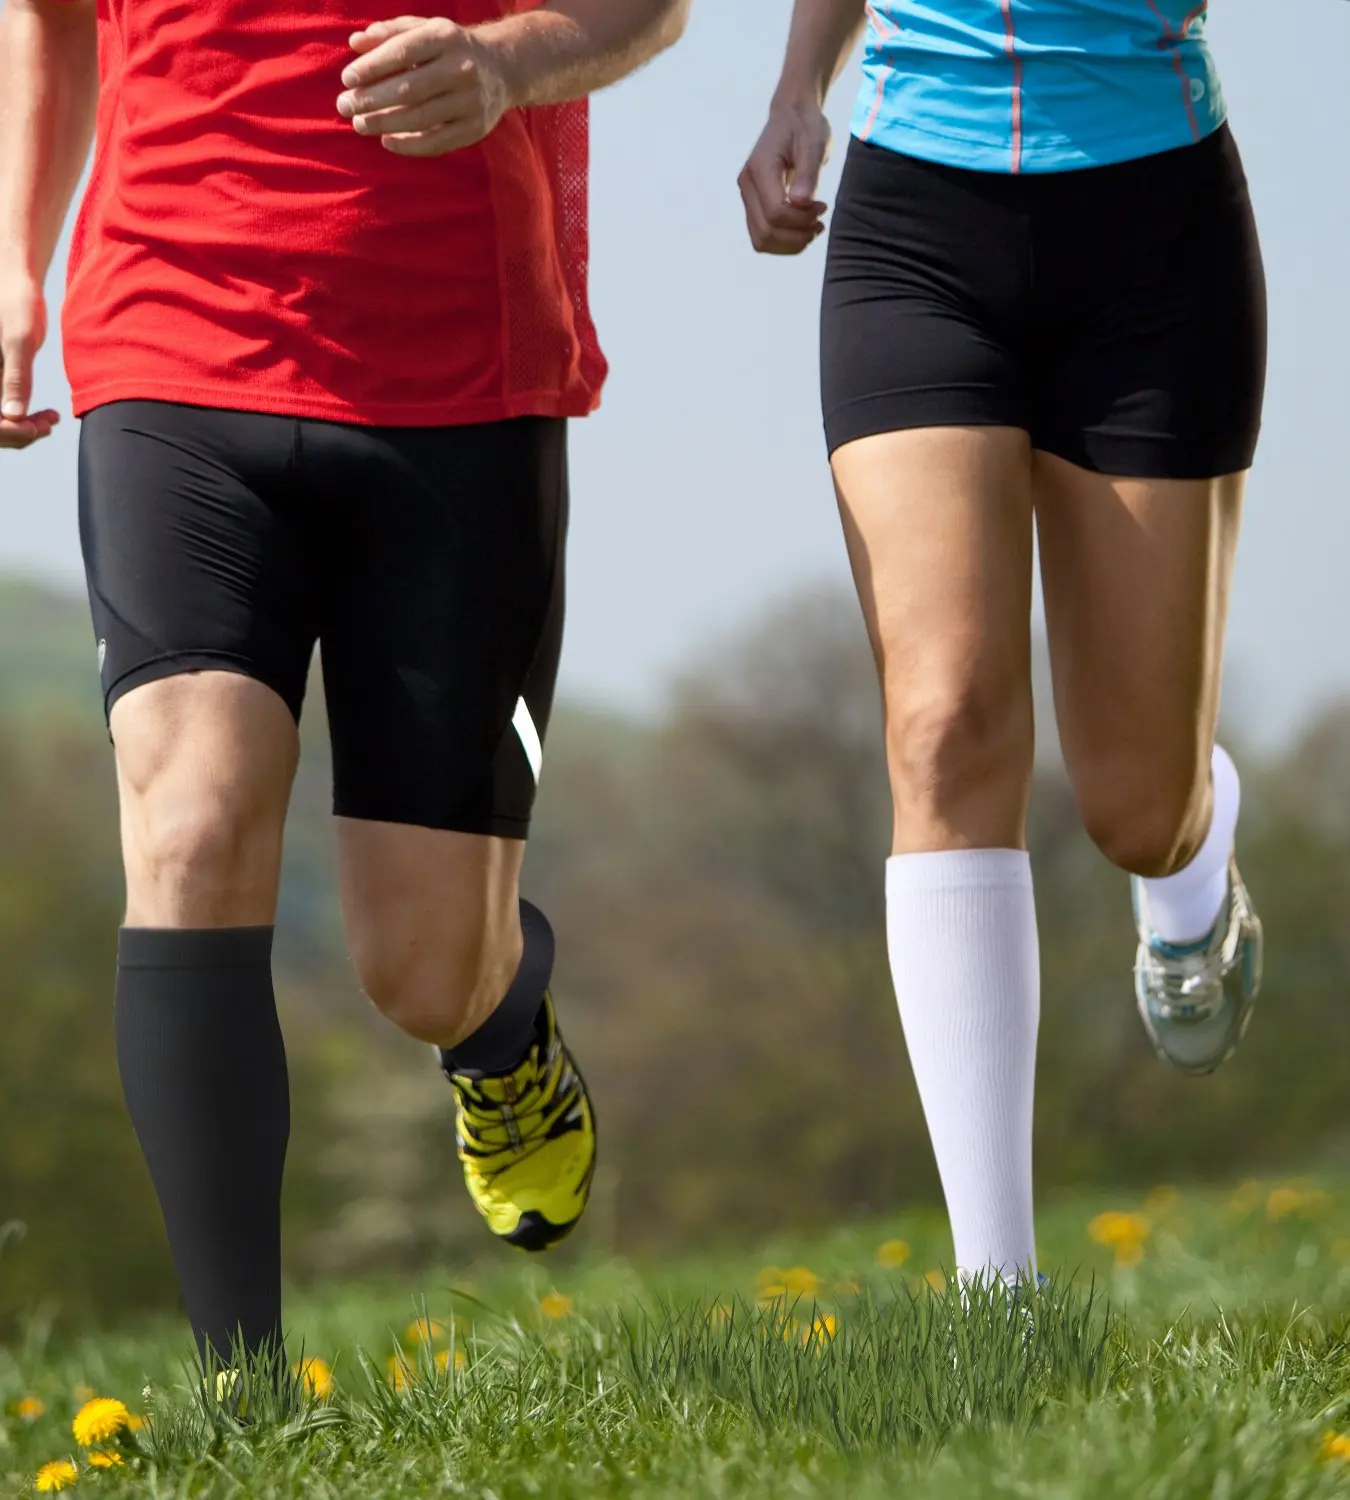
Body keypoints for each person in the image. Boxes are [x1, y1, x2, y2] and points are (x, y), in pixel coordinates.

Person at [0, 0, 687, 1369]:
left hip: (463, 381)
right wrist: (17, 261)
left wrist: (506, 62)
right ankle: (243, 1402)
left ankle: (498, 1024)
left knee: (422, 970)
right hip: (168, 344)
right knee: (189, 827)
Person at [739, 0, 1263, 1288]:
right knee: (942, 720)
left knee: (1136, 807)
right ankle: (1001, 1303)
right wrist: (799, 84)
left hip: (1153, 219)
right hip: (917, 222)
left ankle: (1195, 851)